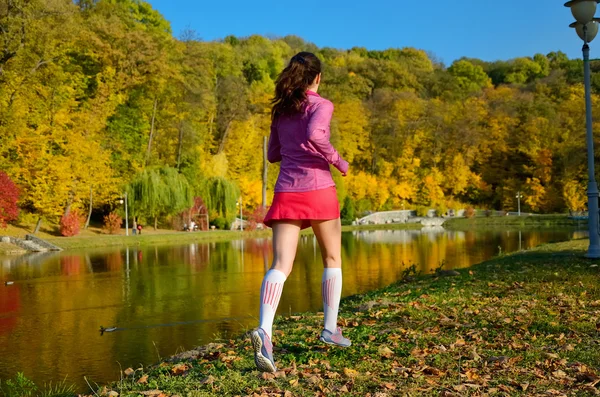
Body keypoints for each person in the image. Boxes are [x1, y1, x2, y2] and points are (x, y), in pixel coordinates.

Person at [250, 52, 350, 374]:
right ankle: (330, 329)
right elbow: (316, 135)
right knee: (332, 258)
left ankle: (265, 331)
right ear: (317, 78)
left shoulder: (281, 110)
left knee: (281, 264)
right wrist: (338, 160)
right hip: (319, 188)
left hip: (287, 190)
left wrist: (292, 144)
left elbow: (273, 154)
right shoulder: (322, 105)